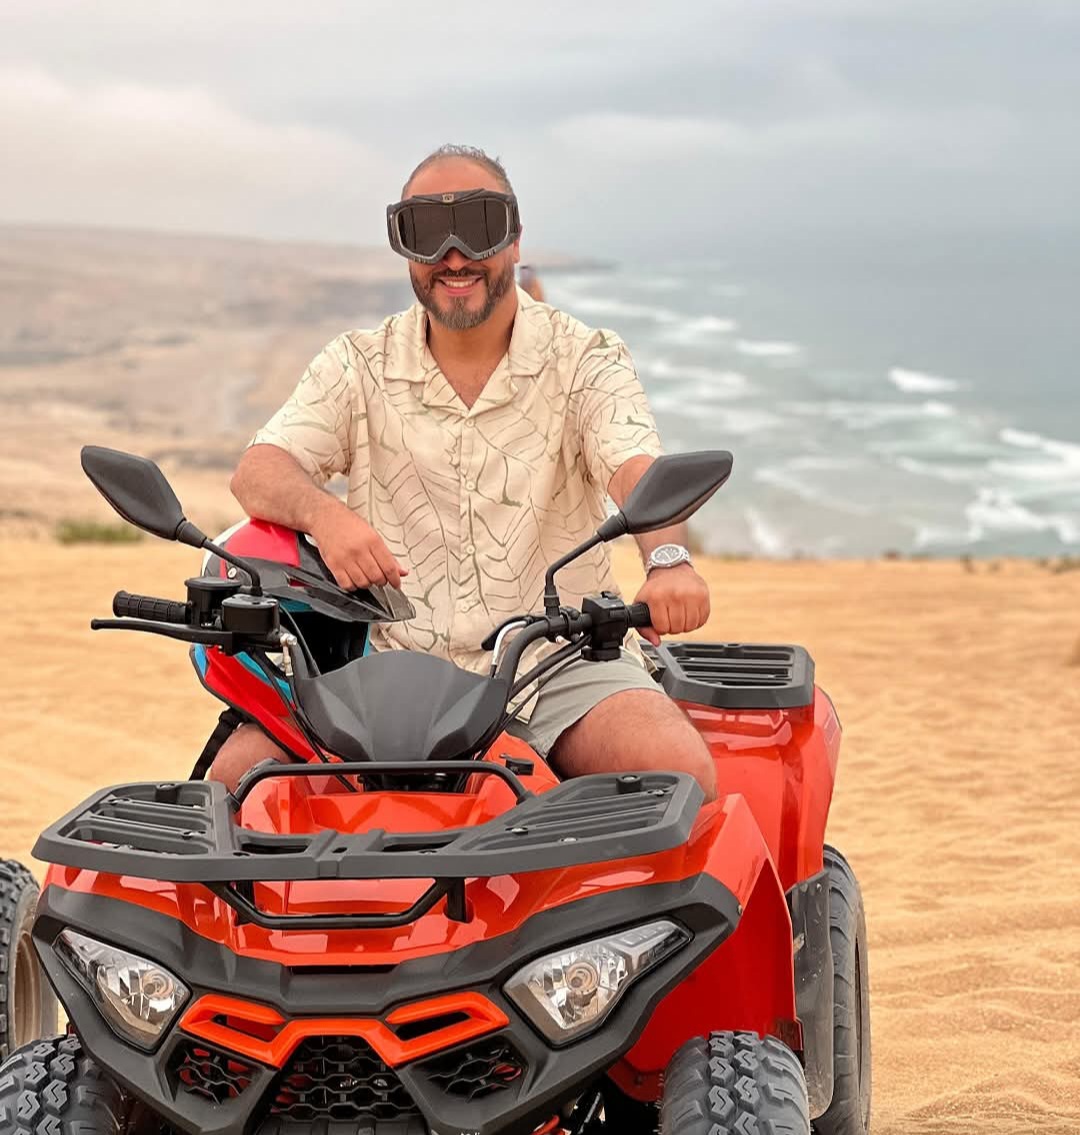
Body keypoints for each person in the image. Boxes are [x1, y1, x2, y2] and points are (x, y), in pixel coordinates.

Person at [211, 144, 716, 800]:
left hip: (561, 661)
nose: (454, 255)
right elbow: (259, 467)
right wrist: (325, 516)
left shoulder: (585, 357)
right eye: (426, 232)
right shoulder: (358, 364)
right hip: (395, 672)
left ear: (513, 239)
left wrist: (669, 556)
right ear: (406, 249)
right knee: (231, 786)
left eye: (478, 226)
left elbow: (634, 465)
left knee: (679, 773)